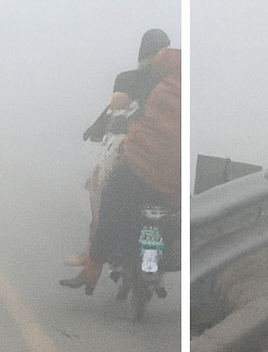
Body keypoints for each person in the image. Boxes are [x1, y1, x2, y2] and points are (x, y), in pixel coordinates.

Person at [62, 44, 180, 293]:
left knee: (110, 205)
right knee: (174, 215)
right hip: (172, 176)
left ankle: (92, 268)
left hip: (141, 164)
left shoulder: (159, 89)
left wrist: (130, 139)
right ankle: (162, 260)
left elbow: (144, 124)